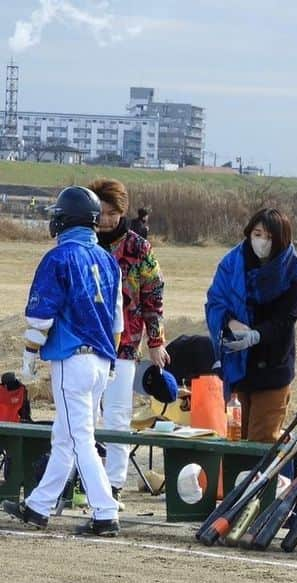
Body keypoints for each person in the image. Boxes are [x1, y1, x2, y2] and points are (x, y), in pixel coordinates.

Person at [2, 186, 122, 536]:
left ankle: (105, 511)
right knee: (65, 437)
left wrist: (28, 356)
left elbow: (42, 318)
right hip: (101, 359)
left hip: (73, 359)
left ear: (67, 219)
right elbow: (118, 322)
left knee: (80, 437)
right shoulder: (106, 259)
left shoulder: (59, 258)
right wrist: (111, 361)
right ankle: (39, 506)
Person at [89, 179, 167, 508]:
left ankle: (115, 482)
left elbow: (153, 296)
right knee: (86, 415)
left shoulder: (139, 249)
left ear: (122, 213)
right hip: (86, 342)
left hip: (125, 343)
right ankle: (83, 479)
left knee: (118, 414)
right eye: (100, 212)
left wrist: (156, 340)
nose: (106, 219)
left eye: (112, 213)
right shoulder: (83, 243)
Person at [205, 208, 297, 442]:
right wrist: (229, 322)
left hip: (273, 367)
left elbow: (286, 319)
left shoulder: (292, 271)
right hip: (237, 366)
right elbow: (215, 301)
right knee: (235, 437)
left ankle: (268, 479)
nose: (262, 241)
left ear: (281, 240)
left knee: (261, 440)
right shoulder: (232, 263)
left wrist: (256, 336)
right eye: (258, 234)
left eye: (269, 237)